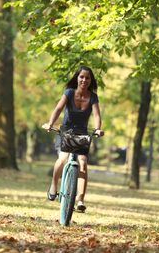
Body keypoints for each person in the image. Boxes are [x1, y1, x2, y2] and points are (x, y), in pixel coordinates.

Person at [43, 65, 104, 212]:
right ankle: (53, 186)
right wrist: (50, 124)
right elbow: (58, 109)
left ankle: (80, 199)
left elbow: (96, 115)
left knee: (82, 163)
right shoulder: (69, 93)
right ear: (77, 78)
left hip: (82, 134)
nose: (84, 80)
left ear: (91, 80)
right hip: (66, 132)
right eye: (81, 77)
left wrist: (97, 129)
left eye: (87, 78)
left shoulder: (93, 97)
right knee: (63, 158)